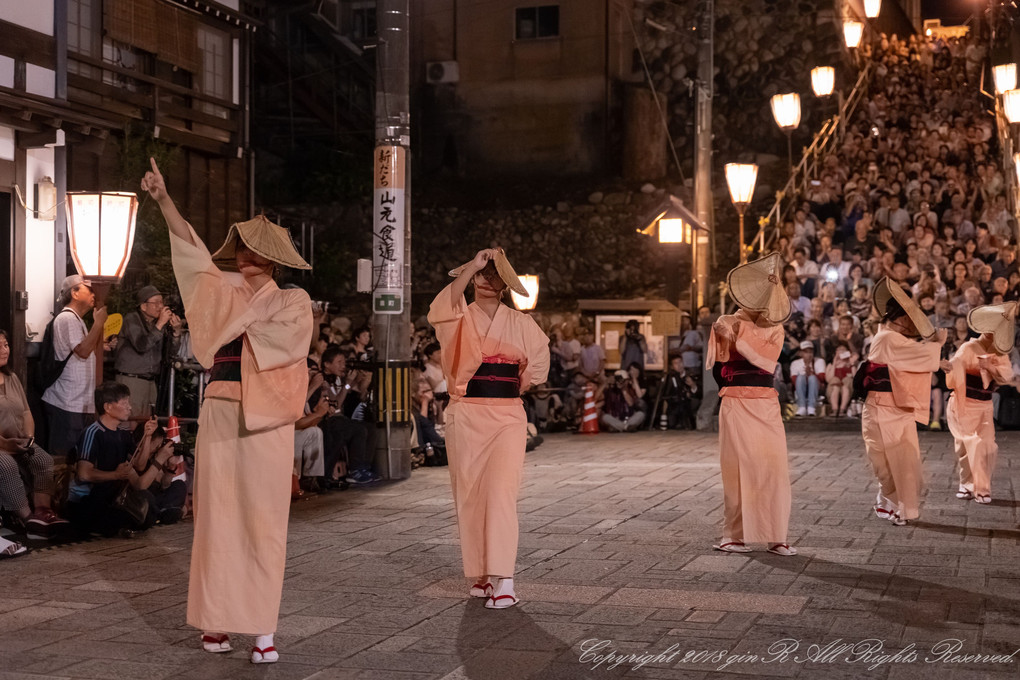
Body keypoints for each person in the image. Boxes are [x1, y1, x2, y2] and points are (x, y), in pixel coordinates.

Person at [142, 158, 313, 663]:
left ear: (275, 260)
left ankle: (261, 627)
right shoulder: (223, 290)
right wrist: (164, 200)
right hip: (220, 405)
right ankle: (216, 621)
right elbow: (193, 256)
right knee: (216, 516)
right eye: (240, 249)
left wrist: (227, 323)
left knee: (262, 518)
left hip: (266, 417)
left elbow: (286, 342)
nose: (244, 257)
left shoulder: (293, 300)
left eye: (255, 251)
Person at [427, 247, 550, 609]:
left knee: (500, 493)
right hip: (466, 412)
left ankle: (505, 577)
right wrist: (471, 267)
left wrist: (507, 386)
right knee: (469, 494)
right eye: (482, 273)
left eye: (496, 274)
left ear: (505, 283)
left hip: (507, 414)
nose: (487, 278)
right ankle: (481, 573)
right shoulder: (458, 315)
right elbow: (440, 310)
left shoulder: (523, 323)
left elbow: (536, 370)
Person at [706, 253, 796, 556]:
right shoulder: (726, 321)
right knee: (738, 468)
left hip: (766, 403)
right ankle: (734, 534)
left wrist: (737, 337)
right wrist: (726, 336)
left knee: (774, 466)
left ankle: (776, 534)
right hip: (735, 402)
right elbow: (718, 366)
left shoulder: (775, 326)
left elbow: (765, 360)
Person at [860, 278, 945, 527]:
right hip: (879, 407)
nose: (910, 322)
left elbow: (911, 356)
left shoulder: (892, 340)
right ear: (898, 317)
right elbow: (914, 353)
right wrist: (937, 345)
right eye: (907, 317)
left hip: (896, 408)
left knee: (904, 460)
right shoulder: (887, 338)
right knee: (882, 463)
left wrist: (938, 360)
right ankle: (888, 499)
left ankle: (902, 508)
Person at [66, 382, 180, 536]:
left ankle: (115, 527)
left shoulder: (123, 433)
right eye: (125, 403)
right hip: (88, 499)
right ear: (108, 407)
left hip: (111, 496)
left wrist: (147, 436)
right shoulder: (93, 432)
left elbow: (139, 466)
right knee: (137, 510)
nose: (130, 408)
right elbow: (84, 474)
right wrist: (115, 475)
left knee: (146, 503)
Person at [944, 302, 1016, 504]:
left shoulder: (1000, 352)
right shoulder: (968, 347)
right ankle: (966, 484)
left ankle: (982, 488)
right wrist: (950, 367)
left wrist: (991, 368)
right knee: (966, 447)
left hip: (984, 405)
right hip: (964, 403)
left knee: (986, 445)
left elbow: (1006, 376)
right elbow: (954, 370)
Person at [0, 329, 68, 539]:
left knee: (42, 459)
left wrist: (29, 438)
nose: (4, 350)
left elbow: (27, 411)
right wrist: (6, 445)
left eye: (5, 344)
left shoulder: (11, 377)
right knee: (7, 465)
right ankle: (26, 517)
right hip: (2, 445)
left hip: (18, 440)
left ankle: (43, 512)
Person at [42, 274, 107, 457]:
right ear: (75, 293)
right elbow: (83, 351)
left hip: (76, 402)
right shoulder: (68, 318)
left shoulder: (76, 320)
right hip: (66, 402)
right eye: (89, 290)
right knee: (63, 458)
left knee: (77, 458)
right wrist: (99, 323)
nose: (94, 294)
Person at [114, 285, 183, 420]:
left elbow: (170, 353)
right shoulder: (131, 319)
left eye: (161, 302)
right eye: (155, 302)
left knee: (147, 424)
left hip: (150, 381)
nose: (160, 306)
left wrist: (176, 333)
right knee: (130, 421)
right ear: (143, 306)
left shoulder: (159, 324)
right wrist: (160, 324)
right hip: (131, 379)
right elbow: (142, 345)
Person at [790, 341, 825, 416]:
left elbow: (822, 379)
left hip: (816, 388)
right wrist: (805, 373)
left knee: (812, 378)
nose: (809, 354)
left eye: (810, 352)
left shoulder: (819, 361)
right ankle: (802, 406)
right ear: (801, 353)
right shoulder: (795, 363)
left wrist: (811, 373)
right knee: (801, 377)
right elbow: (794, 381)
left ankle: (811, 407)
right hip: (800, 389)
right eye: (806, 352)